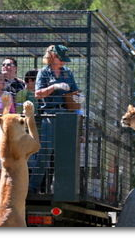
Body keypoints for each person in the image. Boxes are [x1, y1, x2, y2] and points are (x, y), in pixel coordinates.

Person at [29, 44, 80, 194]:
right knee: (45, 151)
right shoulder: (44, 73)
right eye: (61, 58)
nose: (64, 62)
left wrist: (78, 99)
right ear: (52, 57)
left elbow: (75, 92)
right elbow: (38, 94)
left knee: (64, 153)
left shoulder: (68, 73)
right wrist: (55, 87)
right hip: (50, 115)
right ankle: (32, 188)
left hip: (66, 115)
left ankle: (61, 189)